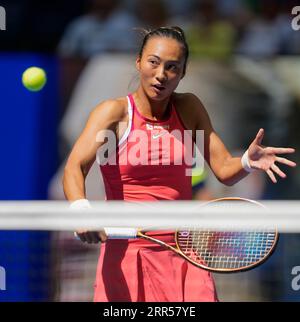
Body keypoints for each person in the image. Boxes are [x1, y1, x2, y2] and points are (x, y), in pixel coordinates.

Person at [63, 26, 296, 302]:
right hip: (126, 256)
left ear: (183, 73)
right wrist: (82, 211)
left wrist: (246, 161)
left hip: (184, 254)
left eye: (172, 67)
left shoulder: (189, 108)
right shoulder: (113, 113)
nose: (161, 74)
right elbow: (74, 167)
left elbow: (223, 169)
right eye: (154, 62)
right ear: (138, 62)